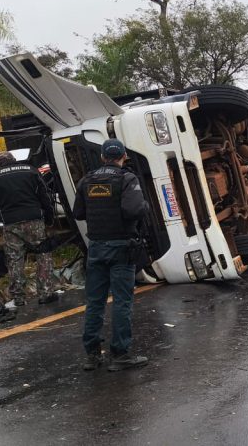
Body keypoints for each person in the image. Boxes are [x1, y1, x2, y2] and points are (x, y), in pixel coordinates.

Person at [74, 139, 149, 372]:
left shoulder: (87, 180)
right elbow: (134, 209)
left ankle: (92, 355)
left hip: (96, 248)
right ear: (124, 156)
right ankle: (120, 354)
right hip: (121, 248)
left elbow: (78, 212)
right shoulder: (127, 179)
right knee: (121, 301)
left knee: (94, 302)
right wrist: (145, 205)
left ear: (102, 157)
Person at [0, 151, 57, 306]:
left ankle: (19, 298)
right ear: (14, 160)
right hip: (34, 220)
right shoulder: (30, 170)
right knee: (43, 254)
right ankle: (46, 293)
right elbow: (45, 196)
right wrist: (49, 218)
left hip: (11, 224)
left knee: (15, 259)